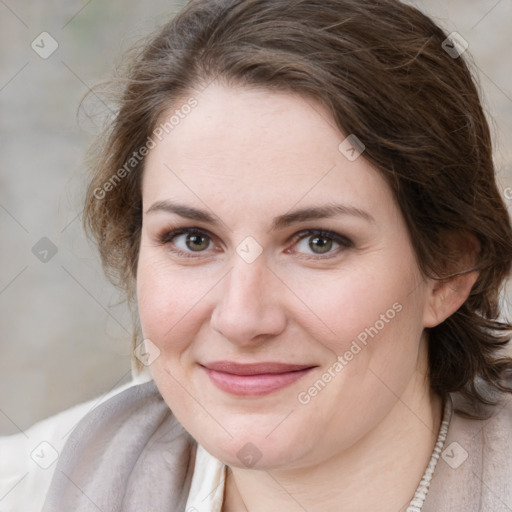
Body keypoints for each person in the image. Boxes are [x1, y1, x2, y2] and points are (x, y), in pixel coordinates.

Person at [2, 0, 512, 510]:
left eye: (319, 241)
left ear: (448, 271)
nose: (242, 319)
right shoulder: (28, 488)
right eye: (193, 239)